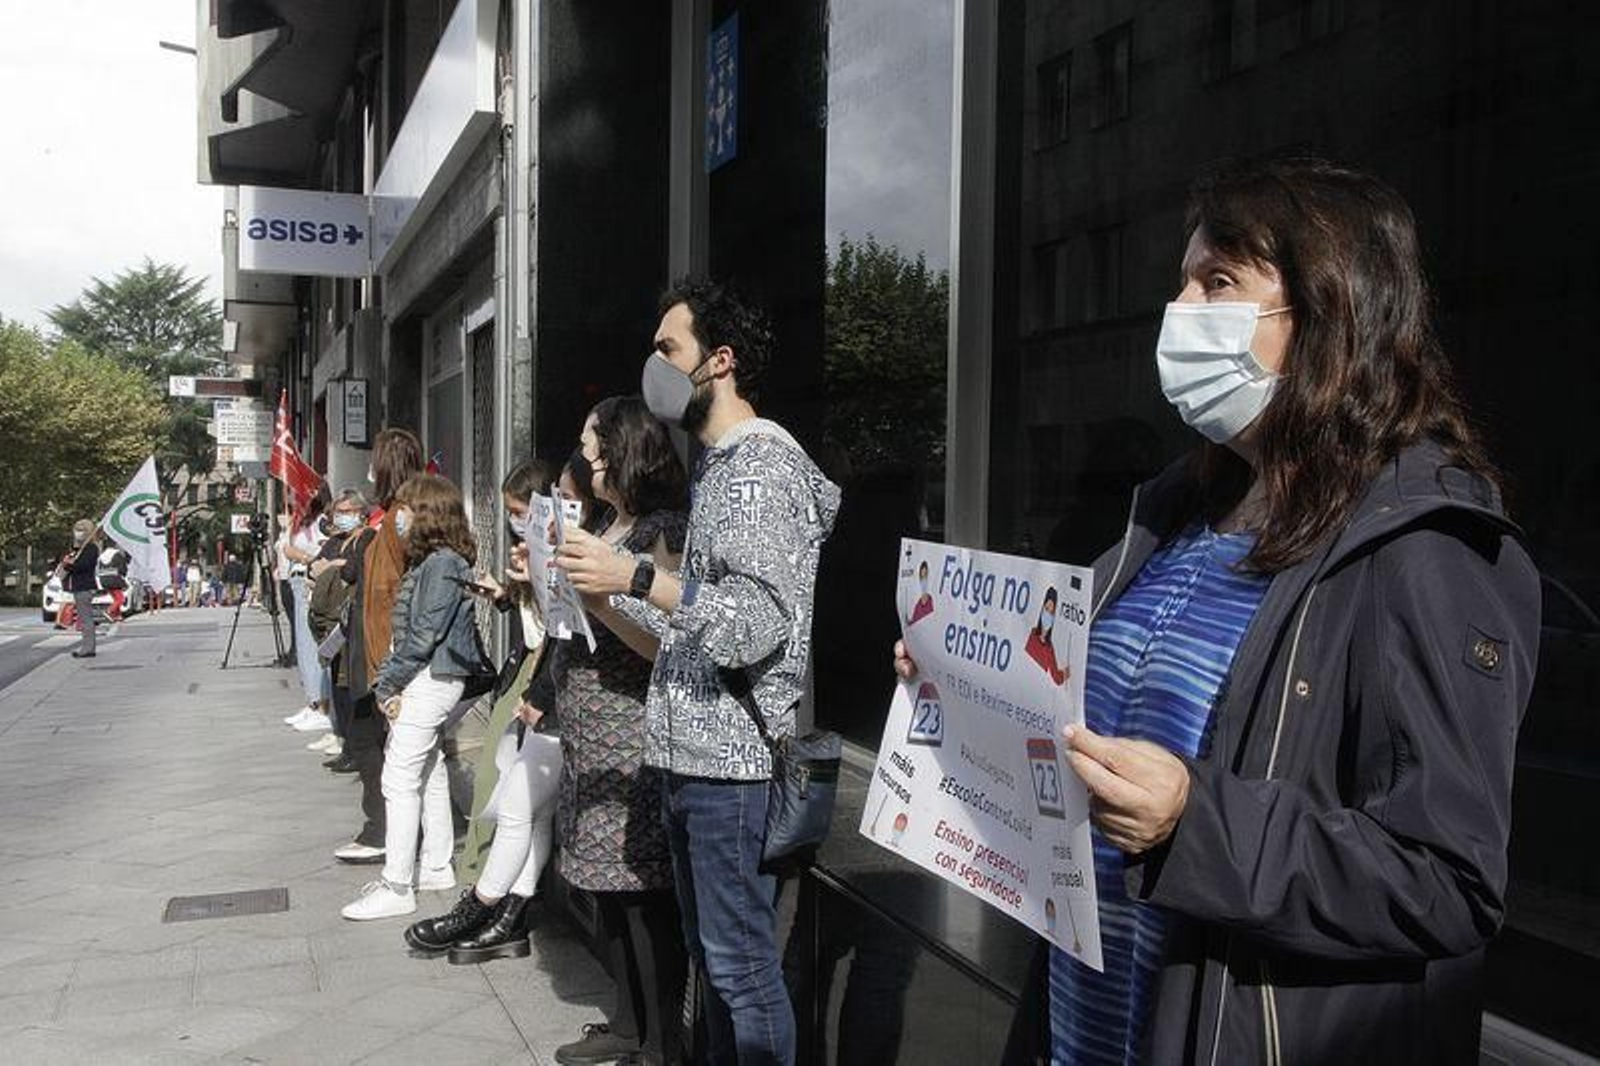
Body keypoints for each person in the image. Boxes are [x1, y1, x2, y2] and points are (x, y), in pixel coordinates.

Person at [895, 156, 1541, 1064]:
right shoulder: (1172, 519)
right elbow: (1084, 742)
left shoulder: (1422, 548)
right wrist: (966, 689)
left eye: (1219, 282)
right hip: (1085, 1026)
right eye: (1183, 283)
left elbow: (1448, 880)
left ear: (1329, 312)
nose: (1181, 312)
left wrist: (1192, 825)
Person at [561, 281, 841, 1066]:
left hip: (732, 771)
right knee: (717, 970)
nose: (654, 365)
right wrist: (606, 587)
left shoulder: (757, 471)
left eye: (667, 349)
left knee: (740, 972)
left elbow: (753, 625)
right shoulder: (719, 467)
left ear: (719, 362)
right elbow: (690, 632)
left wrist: (638, 578)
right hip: (692, 761)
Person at [542, 398, 692, 1066]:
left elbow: (667, 641)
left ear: (623, 449)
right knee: (606, 892)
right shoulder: (606, 521)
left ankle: (663, 1044)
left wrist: (599, 600)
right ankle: (629, 1026)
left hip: (632, 738)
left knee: (643, 901)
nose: (584, 458)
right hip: (588, 738)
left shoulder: (663, 531)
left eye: (593, 445)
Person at [405, 458, 565, 963]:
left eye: (522, 512)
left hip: (553, 691)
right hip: (539, 684)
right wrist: (511, 588)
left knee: (518, 804)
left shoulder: (576, 553)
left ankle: (482, 903)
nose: (517, 522)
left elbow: (562, 631)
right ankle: (511, 912)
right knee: (531, 810)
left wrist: (536, 582)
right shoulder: (542, 553)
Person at [342, 472, 491, 921]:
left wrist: (388, 684)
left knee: (399, 776)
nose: (397, 518)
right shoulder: (436, 562)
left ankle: (398, 883)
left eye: (405, 509)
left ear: (425, 514)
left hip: (430, 678)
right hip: (429, 677)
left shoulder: (441, 564)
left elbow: (420, 635)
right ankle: (437, 866)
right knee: (426, 770)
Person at [333, 427, 426, 865]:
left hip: (385, 647)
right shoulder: (390, 514)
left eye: (375, 459)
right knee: (372, 739)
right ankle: (386, 829)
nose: (369, 469)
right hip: (374, 641)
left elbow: (395, 589)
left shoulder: (403, 516)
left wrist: (392, 660)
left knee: (374, 741)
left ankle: (384, 831)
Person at [307, 489, 371, 772]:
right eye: (338, 512)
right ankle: (345, 741)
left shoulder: (366, 539)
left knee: (350, 685)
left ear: (361, 513)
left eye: (348, 511)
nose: (342, 517)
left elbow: (353, 571)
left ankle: (358, 749)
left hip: (353, 621)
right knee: (337, 684)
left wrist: (330, 567)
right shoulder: (335, 542)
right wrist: (329, 565)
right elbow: (313, 567)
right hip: (332, 624)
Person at [283, 490, 334, 736]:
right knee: (304, 646)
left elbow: (321, 553)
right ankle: (313, 700)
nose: (294, 498)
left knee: (312, 645)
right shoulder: (302, 522)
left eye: (297, 494)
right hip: (297, 579)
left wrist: (301, 556)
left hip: (309, 582)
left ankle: (321, 704)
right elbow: (286, 548)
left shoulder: (322, 522)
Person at [61, 520, 100, 658]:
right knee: (84, 618)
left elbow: (83, 567)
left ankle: (88, 648)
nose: (78, 532)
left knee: (86, 619)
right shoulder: (80, 548)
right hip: (79, 586)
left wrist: (68, 565)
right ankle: (88, 646)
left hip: (84, 586)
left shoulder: (91, 548)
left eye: (82, 529)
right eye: (77, 529)